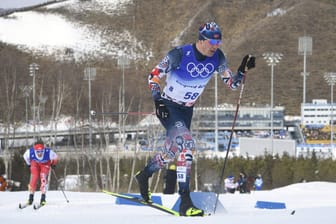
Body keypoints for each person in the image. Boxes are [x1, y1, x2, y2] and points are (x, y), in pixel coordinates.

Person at [135, 21, 256, 216]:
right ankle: (185, 202)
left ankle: (145, 175)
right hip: (168, 106)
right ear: (200, 40)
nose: (214, 47)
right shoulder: (179, 54)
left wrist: (242, 70)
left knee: (171, 151)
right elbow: (154, 76)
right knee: (187, 146)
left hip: (186, 111)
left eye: (218, 43)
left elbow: (232, 84)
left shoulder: (218, 57)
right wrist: (158, 101)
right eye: (211, 42)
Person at [23, 140, 58, 205]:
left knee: (43, 177)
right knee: (34, 178)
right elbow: (25, 156)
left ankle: (43, 198)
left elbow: (55, 157)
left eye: (41, 151)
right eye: (38, 151)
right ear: (35, 150)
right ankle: (31, 198)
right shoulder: (30, 152)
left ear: (43, 149)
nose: (39, 153)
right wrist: (28, 164)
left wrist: (53, 164)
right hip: (35, 164)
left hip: (45, 164)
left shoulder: (48, 152)